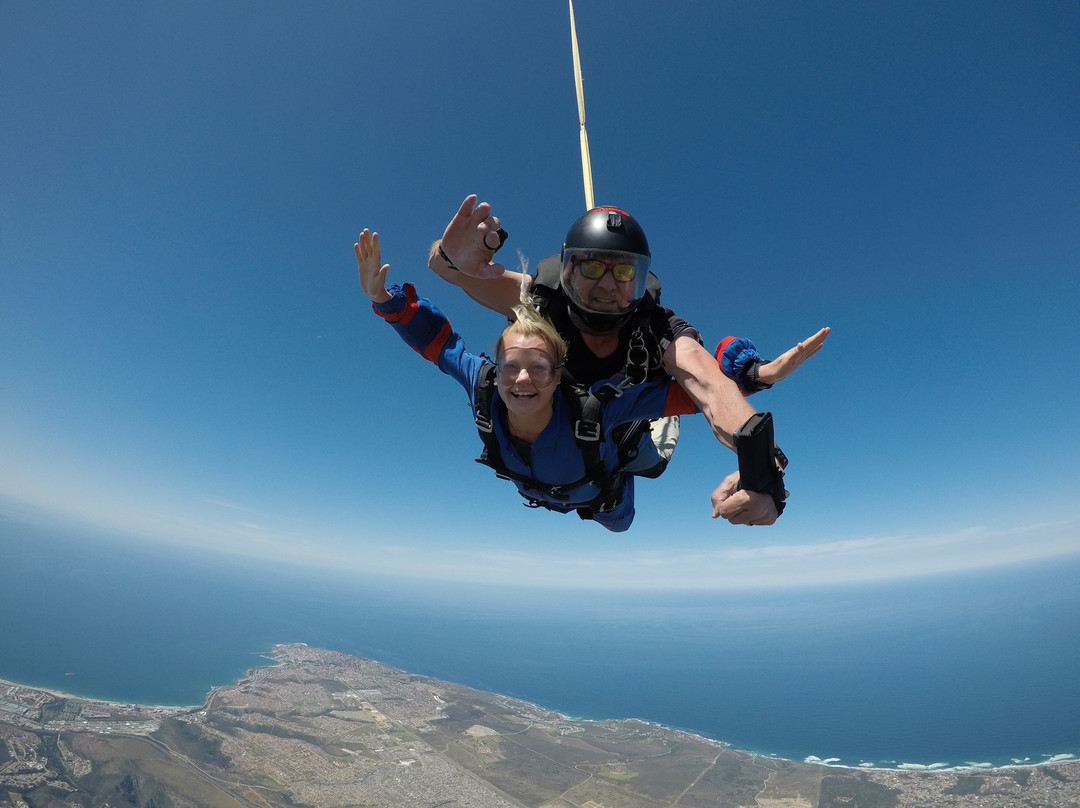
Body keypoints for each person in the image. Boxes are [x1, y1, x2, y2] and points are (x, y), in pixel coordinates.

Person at [427, 195, 829, 527]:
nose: (607, 284)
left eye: (623, 271)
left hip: (627, 432)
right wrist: (449, 257)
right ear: (566, 269)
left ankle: (665, 416)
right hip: (572, 433)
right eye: (590, 266)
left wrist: (763, 474)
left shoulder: (657, 328)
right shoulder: (542, 299)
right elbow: (453, 271)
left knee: (634, 496)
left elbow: (711, 387)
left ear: (640, 281)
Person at [355, 228, 700, 532]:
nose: (521, 379)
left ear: (556, 377)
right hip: (568, 484)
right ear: (497, 365)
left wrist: (749, 372)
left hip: (605, 493)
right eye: (510, 366)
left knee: (641, 483)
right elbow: (437, 343)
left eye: (537, 367)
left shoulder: (596, 409)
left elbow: (695, 394)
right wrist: (382, 299)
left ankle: (657, 429)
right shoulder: (485, 385)